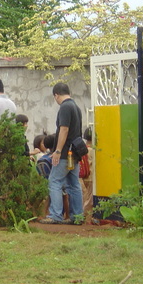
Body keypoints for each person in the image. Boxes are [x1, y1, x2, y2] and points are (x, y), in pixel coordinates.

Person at [39, 83, 84, 225]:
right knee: (73, 184)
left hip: (65, 153)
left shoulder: (64, 107)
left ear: (56, 95)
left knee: (54, 181)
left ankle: (55, 215)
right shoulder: (76, 107)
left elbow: (64, 130)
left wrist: (57, 151)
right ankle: (77, 216)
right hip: (74, 154)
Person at [80, 127, 94, 223]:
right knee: (89, 199)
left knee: (85, 197)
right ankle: (84, 216)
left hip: (83, 176)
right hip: (91, 176)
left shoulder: (83, 148)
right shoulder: (93, 150)